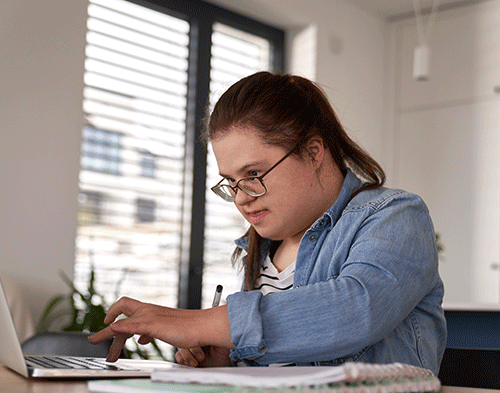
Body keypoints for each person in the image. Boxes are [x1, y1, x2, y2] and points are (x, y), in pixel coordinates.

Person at [89, 72, 447, 374]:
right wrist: (225, 360)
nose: (242, 197)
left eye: (254, 173)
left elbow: (355, 309)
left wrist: (196, 323)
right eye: (231, 182)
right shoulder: (258, 249)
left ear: (313, 151)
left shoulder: (396, 215)